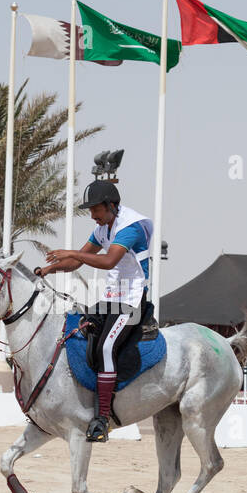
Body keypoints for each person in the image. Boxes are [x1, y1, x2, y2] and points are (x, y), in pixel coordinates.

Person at [37, 181, 155, 442]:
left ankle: (102, 418)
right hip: (111, 299)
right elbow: (77, 259)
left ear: (111, 206)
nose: (93, 216)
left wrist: (71, 253)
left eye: (96, 210)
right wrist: (49, 270)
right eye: (90, 211)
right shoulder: (103, 228)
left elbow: (107, 260)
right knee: (78, 332)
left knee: (105, 348)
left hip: (132, 300)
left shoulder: (129, 227)